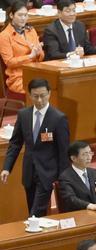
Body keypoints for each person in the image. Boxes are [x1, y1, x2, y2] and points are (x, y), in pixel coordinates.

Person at [2, 78, 69, 215]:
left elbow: (64, 151)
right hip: (29, 172)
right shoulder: (24, 115)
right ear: (29, 95)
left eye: (43, 96)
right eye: (35, 96)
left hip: (48, 173)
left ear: (49, 93)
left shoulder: (58, 118)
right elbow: (15, 143)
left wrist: (63, 178)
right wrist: (7, 168)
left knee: (35, 213)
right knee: (33, 209)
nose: (39, 100)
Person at [1, 0, 44, 94]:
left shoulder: (31, 30)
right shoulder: (4, 35)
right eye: (20, 15)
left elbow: (40, 57)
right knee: (40, 89)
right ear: (11, 15)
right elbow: (9, 62)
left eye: (25, 15)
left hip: (37, 72)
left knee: (55, 86)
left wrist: (39, 51)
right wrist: (30, 56)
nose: (23, 18)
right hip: (18, 77)